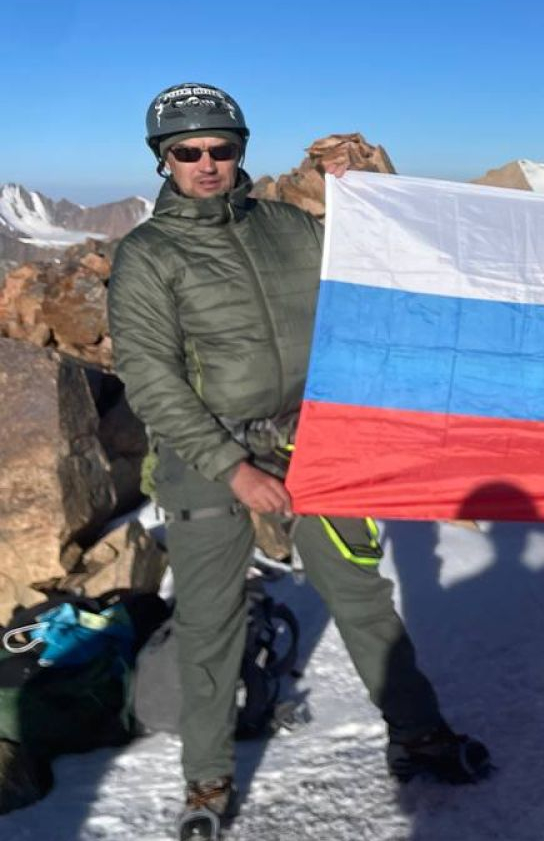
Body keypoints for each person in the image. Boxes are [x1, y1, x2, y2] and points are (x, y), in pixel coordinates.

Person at [108, 83, 491, 840]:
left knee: (360, 594)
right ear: (164, 161)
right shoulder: (148, 255)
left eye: (221, 148)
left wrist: (365, 188)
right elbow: (150, 378)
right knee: (211, 618)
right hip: (206, 455)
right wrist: (233, 467)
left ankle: (417, 734)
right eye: (187, 152)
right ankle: (207, 779)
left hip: (310, 440)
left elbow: (381, 264)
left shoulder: (288, 227)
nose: (207, 163)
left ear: (240, 150)